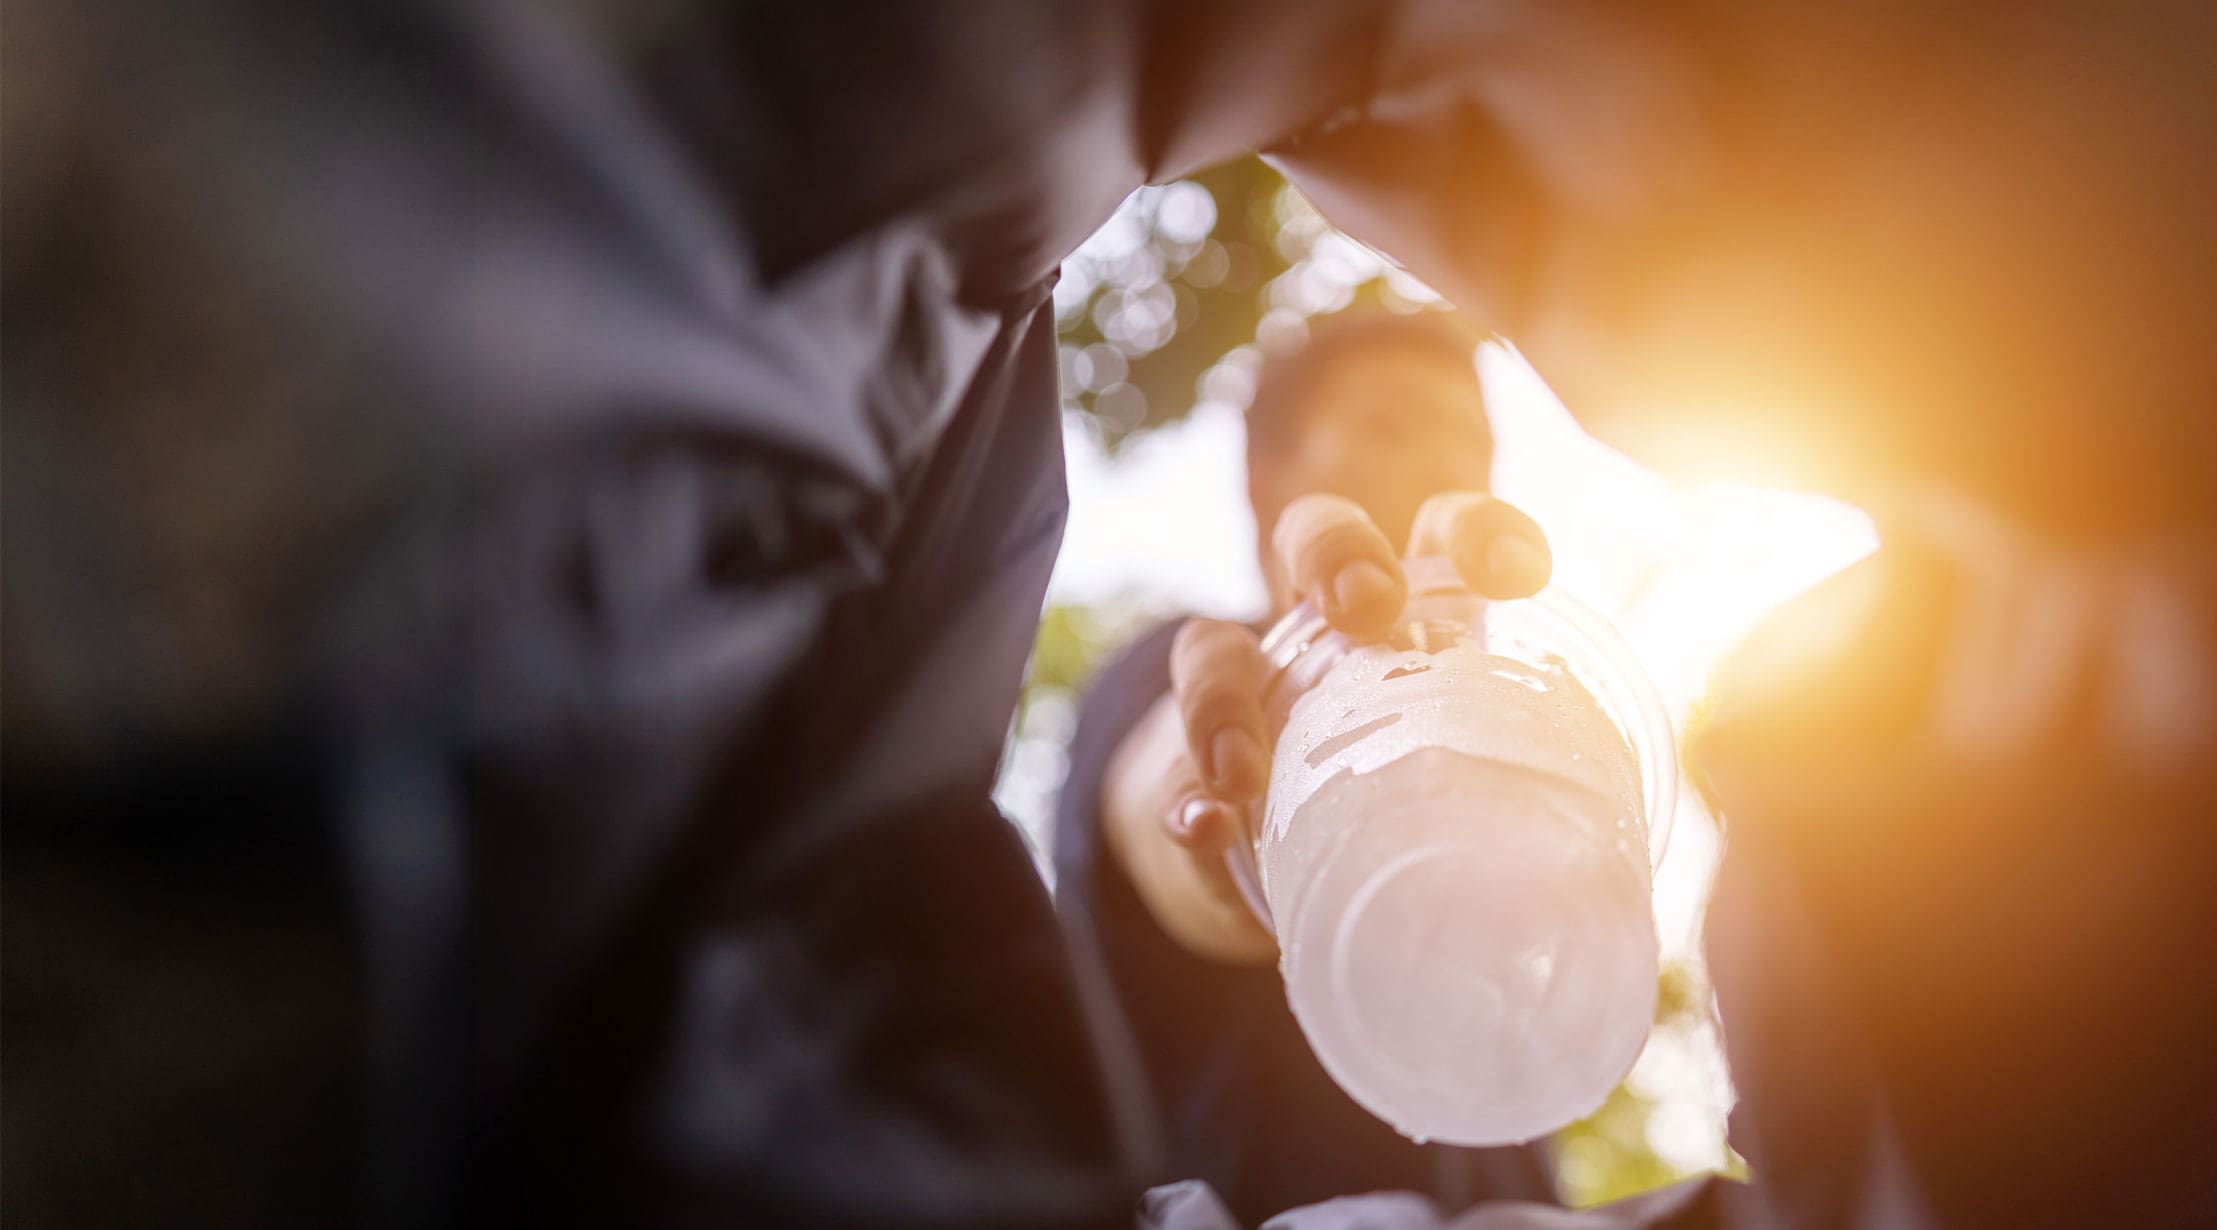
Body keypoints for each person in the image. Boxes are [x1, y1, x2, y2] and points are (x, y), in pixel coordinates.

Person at [6, 2, 2215, 1227]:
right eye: (1364, 452)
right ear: (1265, 482)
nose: (1414, 496)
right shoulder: (1195, 680)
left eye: (1449, 444)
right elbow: (1115, 846)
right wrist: (1207, 831)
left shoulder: (1520, 672)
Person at [1052, 313, 1556, 1227]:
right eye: (1392, 428)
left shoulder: (1505, 766)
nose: (1450, 464)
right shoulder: (1184, 665)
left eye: (1473, 441)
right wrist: (1249, 810)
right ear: (1268, 482)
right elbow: (1172, 809)